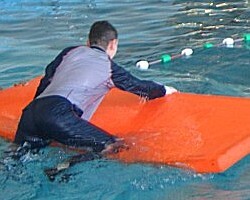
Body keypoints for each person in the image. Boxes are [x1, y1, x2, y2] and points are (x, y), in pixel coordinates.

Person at [14, 21, 177, 155]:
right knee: (115, 146)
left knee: (16, 158)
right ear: (113, 45)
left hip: (30, 113)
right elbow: (140, 87)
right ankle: (62, 167)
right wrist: (165, 90)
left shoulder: (69, 52)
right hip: (58, 114)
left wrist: (38, 111)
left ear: (88, 42)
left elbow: (47, 78)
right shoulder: (109, 67)